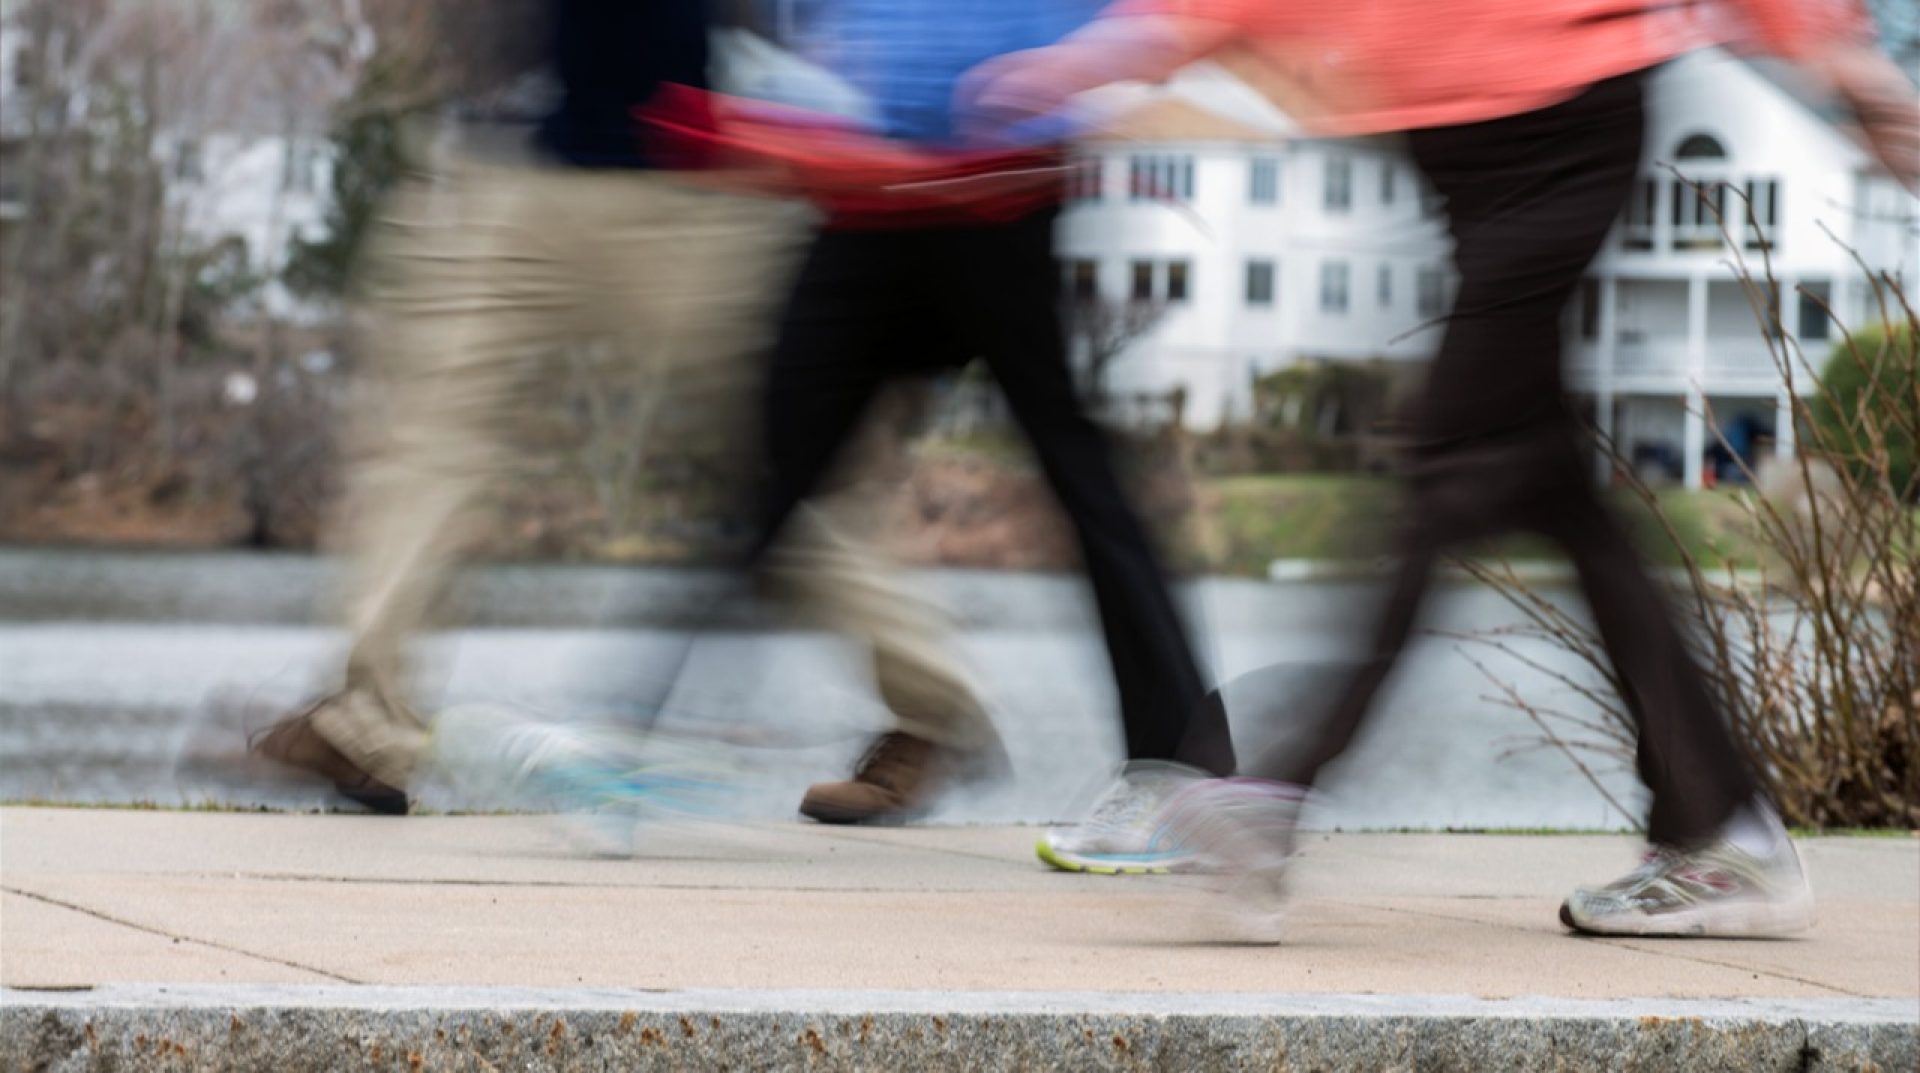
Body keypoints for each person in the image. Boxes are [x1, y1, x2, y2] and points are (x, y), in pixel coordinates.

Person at [964, 0, 1919, 936]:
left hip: (1568, 107)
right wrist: (1143, 40)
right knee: (1554, 492)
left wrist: (1827, 47)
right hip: (1457, 142)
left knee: (1449, 463)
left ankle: (1279, 794)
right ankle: (1725, 828)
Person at [248, 0, 1006, 824]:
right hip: (530, 160)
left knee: (784, 464)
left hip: (691, 176)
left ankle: (935, 710)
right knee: (427, 434)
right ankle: (364, 724)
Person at [736, 0, 1240, 867]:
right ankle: (640, 743)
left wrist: (1064, 71)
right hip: (876, 189)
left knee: (1082, 480)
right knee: (773, 458)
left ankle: (1185, 774)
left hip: (1001, 189)